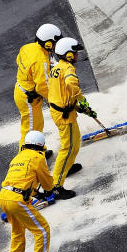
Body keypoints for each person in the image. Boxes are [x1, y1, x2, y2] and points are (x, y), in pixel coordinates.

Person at [0, 130, 59, 252]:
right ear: (41, 145)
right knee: (42, 230)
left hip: (4, 196)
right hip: (17, 200)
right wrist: (49, 191)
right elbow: (46, 182)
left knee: (18, 230)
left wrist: (35, 194)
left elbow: (22, 179)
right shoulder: (38, 158)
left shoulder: (18, 157)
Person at [47, 37, 96, 199]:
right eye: (74, 53)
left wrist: (79, 107)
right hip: (63, 115)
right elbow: (70, 84)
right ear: (67, 55)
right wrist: (81, 100)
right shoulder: (68, 69)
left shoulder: (57, 67)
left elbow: (62, 92)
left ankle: (66, 168)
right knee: (67, 149)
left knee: (75, 143)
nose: (76, 56)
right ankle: (56, 186)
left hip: (62, 110)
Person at [13, 23, 61, 150]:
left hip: (22, 91)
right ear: (48, 43)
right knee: (29, 132)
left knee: (37, 126)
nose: (56, 46)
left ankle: (40, 152)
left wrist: (45, 67)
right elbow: (42, 87)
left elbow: (20, 60)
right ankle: (26, 160)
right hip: (29, 98)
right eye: (55, 43)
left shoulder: (28, 47)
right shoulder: (40, 61)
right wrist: (55, 98)